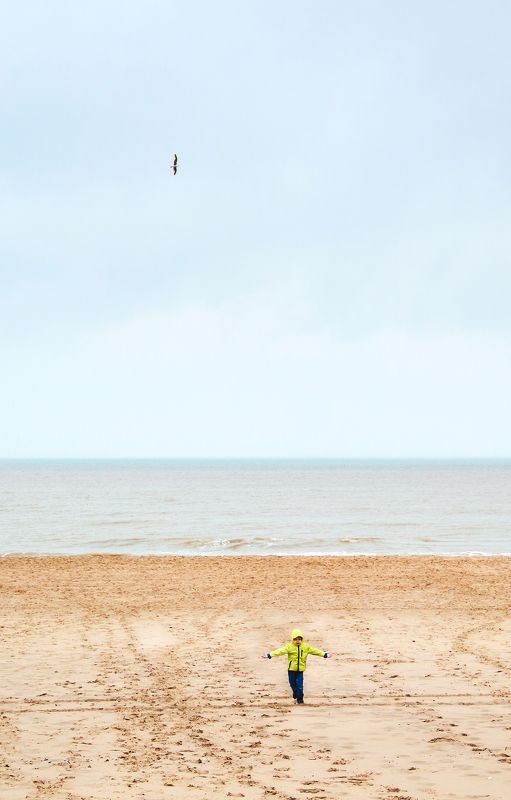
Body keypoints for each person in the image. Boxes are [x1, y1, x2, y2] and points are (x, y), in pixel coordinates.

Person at [261, 628, 332, 704]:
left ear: (302, 639)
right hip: (291, 670)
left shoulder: (306, 647)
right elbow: (280, 651)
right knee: (292, 684)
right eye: (295, 639)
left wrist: (325, 654)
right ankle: (295, 692)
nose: (297, 641)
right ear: (292, 639)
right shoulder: (289, 647)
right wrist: (269, 655)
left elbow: (315, 651)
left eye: (299, 639)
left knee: (300, 686)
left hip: (300, 670)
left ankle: (300, 700)